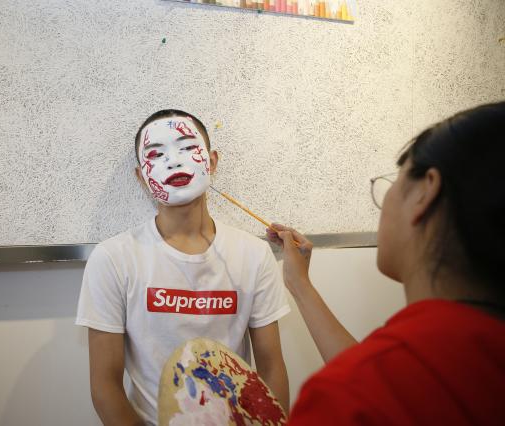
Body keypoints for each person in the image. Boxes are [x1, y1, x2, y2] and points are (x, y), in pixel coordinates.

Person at [266, 101, 505, 425]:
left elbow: (374, 386)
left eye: (395, 182)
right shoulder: (474, 358)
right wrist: (300, 284)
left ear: (425, 192)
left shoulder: (346, 400)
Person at [76, 110, 291, 425]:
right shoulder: (112, 258)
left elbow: (271, 368)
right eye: (155, 154)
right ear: (141, 176)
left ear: (212, 162)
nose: (174, 162)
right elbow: (105, 386)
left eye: (188, 147)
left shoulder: (254, 255)